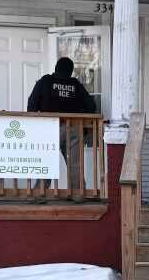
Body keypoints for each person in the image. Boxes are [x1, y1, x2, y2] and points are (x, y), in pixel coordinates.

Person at [26, 58, 97, 196]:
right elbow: (91, 106)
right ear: (70, 71)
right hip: (73, 127)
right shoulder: (75, 84)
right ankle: (78, 195)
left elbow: (32, 104)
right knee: (75, 164)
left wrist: (35, 124)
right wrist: (79, 115)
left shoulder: (45, 81)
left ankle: (40, 193)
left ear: (56, 68)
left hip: (48, 127)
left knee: (46, 162)